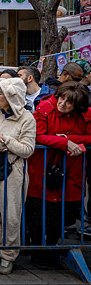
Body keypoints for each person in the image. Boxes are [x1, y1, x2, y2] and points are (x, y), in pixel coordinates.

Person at [25, 81, 91, 270]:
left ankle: (51, 248)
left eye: (68, 102)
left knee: (61, 215)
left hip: (71, 171)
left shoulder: (86, 114)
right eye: (61, 98)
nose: (62, 104)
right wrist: (62, 143)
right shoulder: (45, 107)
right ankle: (38, 252)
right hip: (42, 169)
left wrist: (67, 139)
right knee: (37, 212)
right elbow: (37, 135)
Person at [0, 77, 36, 275]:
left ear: (12, 97)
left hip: (12, 171)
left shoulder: (27, 118)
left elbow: (27, 149)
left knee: (11, 215)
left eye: (0, 93)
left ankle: (8, 255)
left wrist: (6, 140)